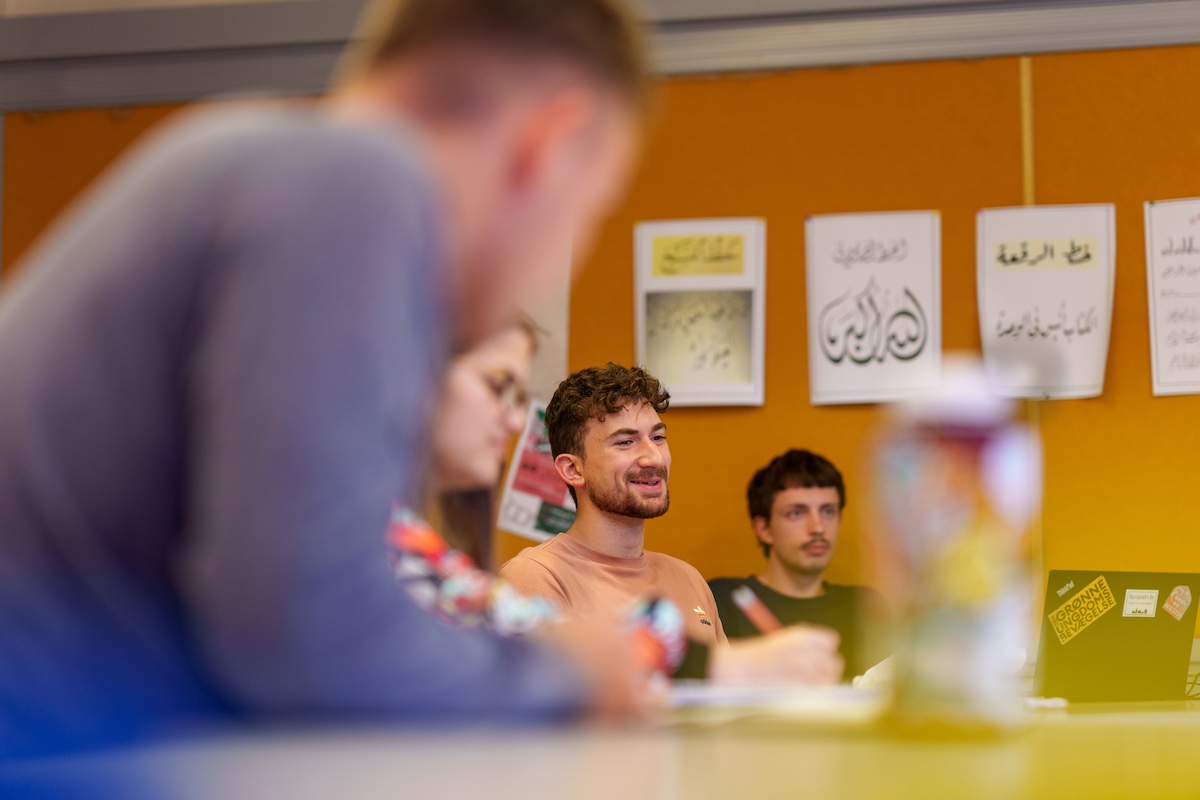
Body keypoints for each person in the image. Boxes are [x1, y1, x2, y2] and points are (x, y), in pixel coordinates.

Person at [0, 0, 649, 758]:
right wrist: (566, 673)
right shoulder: (358, 178)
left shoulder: (266, 163)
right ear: (548, 143)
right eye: (595, 206)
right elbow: (306, 629)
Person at [500, 364, 844, 683]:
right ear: (573, 470)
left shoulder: (688, 578)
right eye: (625, 441)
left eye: (658, 437)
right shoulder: (535, 577)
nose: (653, 458)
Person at [708, 449, 889, 679]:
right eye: (796, 513)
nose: (818, 528)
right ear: (763, 528)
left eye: (828, 511)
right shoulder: (723, 599)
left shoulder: (865, 607)